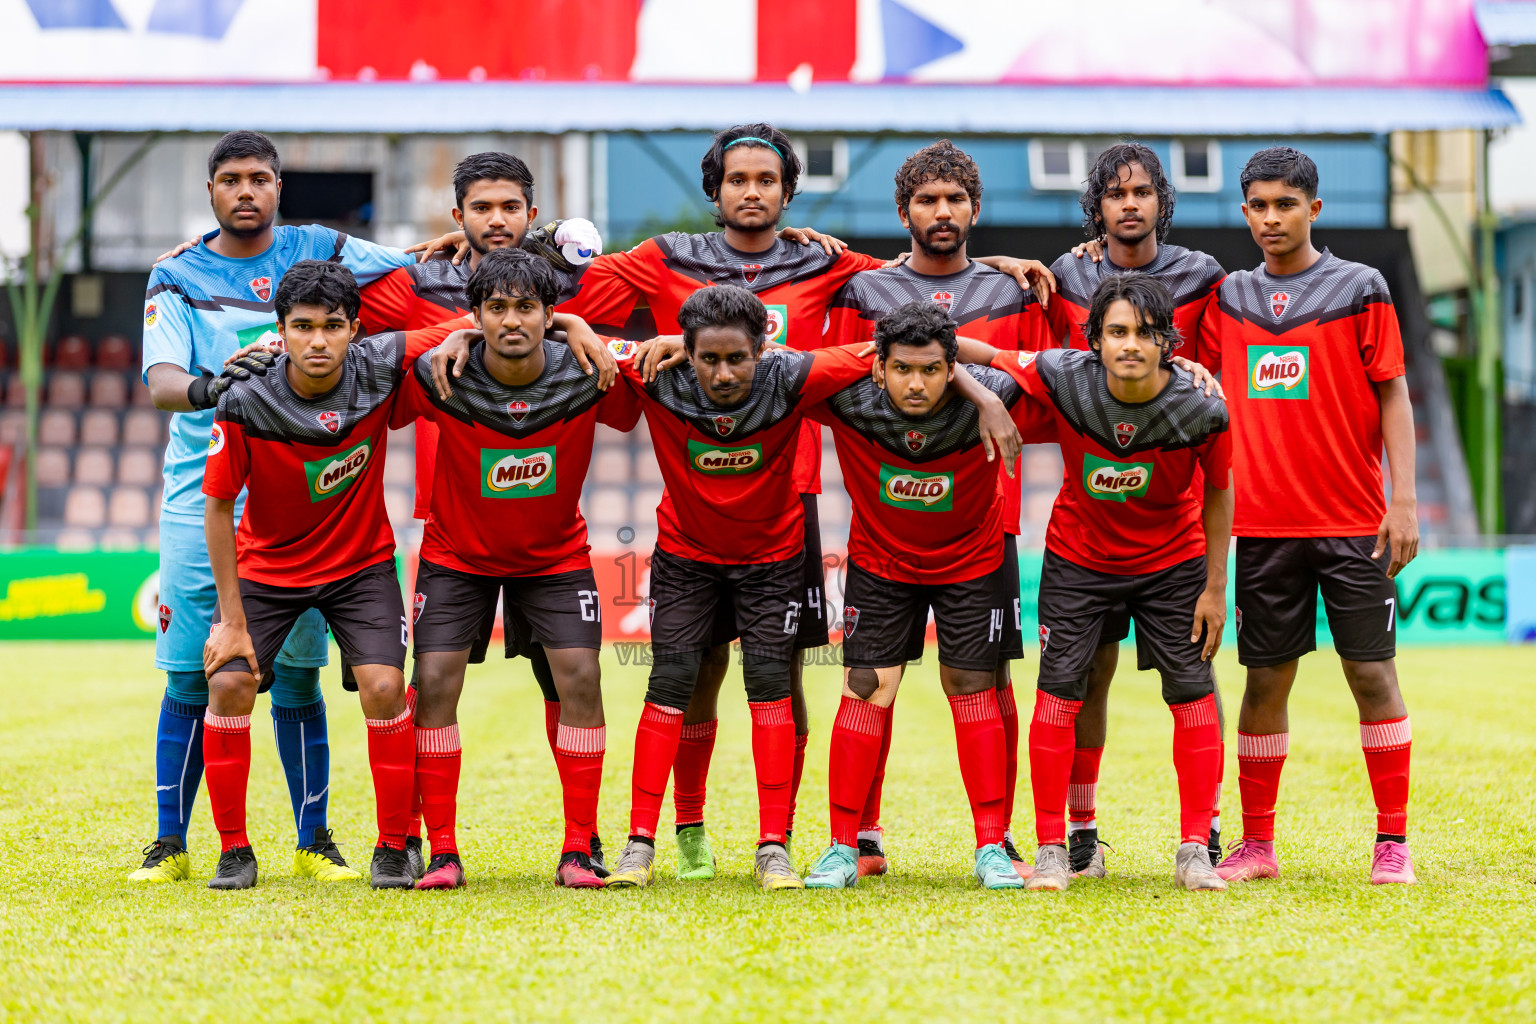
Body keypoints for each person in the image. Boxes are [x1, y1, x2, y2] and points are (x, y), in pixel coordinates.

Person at [555, 124, 1053, 879]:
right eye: (737, 179)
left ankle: (812, 838)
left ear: (788, 193)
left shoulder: (829, 264)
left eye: (766, 180)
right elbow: (557, 301)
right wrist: (520, 246)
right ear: (714, 188)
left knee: (790, 676)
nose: (751, 191)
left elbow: (915, 296)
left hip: (794, 506)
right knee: (690, 676)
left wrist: (995, 270)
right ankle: (683, 830)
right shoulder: (663, 260)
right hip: (699, 521)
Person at [586, 285, 1014, 891]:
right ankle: (640, 842)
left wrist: (973, 386)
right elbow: (552, 333)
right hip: (687, 557)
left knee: (772, 686)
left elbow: (904, 351)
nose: (724, 371)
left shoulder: (797, 373)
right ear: (686, 350)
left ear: (765, 349)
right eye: (708, 359)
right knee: (670, 683)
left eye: (738, 357)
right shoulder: (655, 370)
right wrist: (577, 321)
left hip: (775, 558)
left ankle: (777, 846)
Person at [134, 130, 423, 884]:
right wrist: (217, 385)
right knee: (197, 674)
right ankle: (171, 843)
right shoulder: (175, 273)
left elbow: (411, 270)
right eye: (230, 179)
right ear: (211, 192)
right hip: (206, 493)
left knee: (297, 677)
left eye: (259, 178)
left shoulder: (316, 250)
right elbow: (163, 382)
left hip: (304, 507)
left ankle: (312, 839)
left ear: (277, 187)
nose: (246, 192)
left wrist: (462, 238)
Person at [357, 150, 614, 878]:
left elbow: (635, 311)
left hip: (546, 537)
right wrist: (451, 335)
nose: (496, 220)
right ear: (456, 216)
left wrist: (570, 324)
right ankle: (416, 839)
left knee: (568, 679)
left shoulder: (574, 279)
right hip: (453, 529)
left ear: (533, 214)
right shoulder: (418, 282)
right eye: (481, 208)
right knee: (431, 682)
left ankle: (580, 841)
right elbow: (341, 322)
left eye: (511, 207)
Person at [820, 140, 1053, 878]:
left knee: (984, 677)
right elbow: (850, 378)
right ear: (904, 213)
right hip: (890, 518)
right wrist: (973, 384)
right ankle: (861, 832)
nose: (942, 212)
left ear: (976, 209)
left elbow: (1036, 379)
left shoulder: (1016, 291)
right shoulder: (866, 291)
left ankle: (998, 837)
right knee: (871, 676)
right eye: (927, 201)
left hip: (987, 502)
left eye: (955, 200)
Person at [974, 273, 1233, 893]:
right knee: (1060, 692)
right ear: (1094, 339)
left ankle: (1196, 848)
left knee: (1192, 691)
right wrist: (981, 397)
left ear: (1168, 341)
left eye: (1146, 333)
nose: (1130, 344)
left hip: (1173, 564)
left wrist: (1215, 588)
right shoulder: (1063, 374)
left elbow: (1220, 492)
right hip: (1078, 561)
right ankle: (1052, 848)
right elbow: (967, 350)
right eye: (1116, 331)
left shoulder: (1202, 407)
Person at [394, 248, 641, 890]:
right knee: (437, 681)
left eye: (526, 308)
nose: (512, 321)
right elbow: (363, 372)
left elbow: (661, 368)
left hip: (555, 557)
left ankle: (579, 847)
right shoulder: (439, 374)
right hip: (456, 557)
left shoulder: (588, 370)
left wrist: (592, 335)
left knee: (581, 678)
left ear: (549, 314)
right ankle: (442, 852)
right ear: (474, 316)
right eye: (496, 308)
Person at [1208, 147, 1419, 886]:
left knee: (1370, 673)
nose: (1271, 218)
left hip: (1353, 522)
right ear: (1245, 212)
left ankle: (1392, 842)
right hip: (1261, 528)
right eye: (1258, 206)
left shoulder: (1361, 288)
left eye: (1285, 204)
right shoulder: (1227, 296)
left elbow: (1392, 392)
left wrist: (1404, 501)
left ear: (1314, 209)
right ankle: (1257, 846)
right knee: (1264, 684)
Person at [199, 260, 446, 890]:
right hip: (269, 569)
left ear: (354, 329)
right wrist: (231, 621)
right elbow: (220, 505)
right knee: (229, 685)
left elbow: (472, 324)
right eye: (302, 326)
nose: (317, 340)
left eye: (332, 326)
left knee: (386, 687)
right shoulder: (245, 398)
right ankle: (235, 851)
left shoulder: (380, 367)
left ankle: (394, 847)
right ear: (279, 331)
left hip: (360, 565)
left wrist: (576, 323)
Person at [1044, 143, 1230, 876]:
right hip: (1088, 508)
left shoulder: (1202, 276)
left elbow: (1211, 369)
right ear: (1097, 207)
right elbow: (1044, 358)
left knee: (1193, 679)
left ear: (1162, 202)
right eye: (1116, 194)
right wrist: (1003, 266)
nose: (1130, 204)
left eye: (1143, 192)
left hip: (1170, 511)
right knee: (1087, 676)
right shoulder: (1067, 272)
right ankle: (1079, 833)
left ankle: (1203, 832)